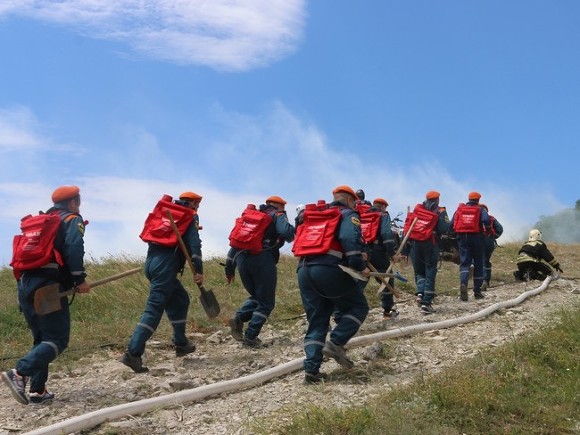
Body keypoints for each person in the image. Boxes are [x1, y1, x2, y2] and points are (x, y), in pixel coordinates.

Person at [2, 186, 91, 404]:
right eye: (78, 202)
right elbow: (73, 247)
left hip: (24, 285)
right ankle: (19, 373)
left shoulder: (41, 222)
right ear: (72, 203)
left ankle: (37, 391)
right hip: (48, 286)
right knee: (57, 339)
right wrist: (79, 279)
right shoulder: (71, 219)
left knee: (42, 338)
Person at [292, 185, 370, 383]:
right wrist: (359, 266)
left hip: (304, 270)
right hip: (327, 269)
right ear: (351, 200)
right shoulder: (347, 213)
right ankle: (335, 343)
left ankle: (311, 371)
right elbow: (348, 238)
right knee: (358, 306)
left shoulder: (317, 215)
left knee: (317, 319)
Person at [120, 192, 203, 373]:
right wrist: (199, 271)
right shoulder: (189, 218)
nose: (197, 208)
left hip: (151, 264)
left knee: (181, 299)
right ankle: (133, 353)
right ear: (193, 204)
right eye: (197, 205)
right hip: (165, 268)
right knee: (154, 310)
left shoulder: (165, 213)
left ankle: (181, 343)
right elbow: (195, 247)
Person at [225, 196, 295, 347]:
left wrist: (229, 269)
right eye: (283, 207)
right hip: (262, 259)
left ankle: (238, 317)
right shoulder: (277, 215)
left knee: (258, 296)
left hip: (241, 259)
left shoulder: (250, 218)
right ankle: (250, 337)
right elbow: (287, 233)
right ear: (278, 206)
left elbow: (235, 244)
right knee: (266, 302)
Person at [403, 191, 449, 314]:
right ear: (437, 199)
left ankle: (420, 293)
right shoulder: (440, 211)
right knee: (430, 270)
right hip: (430, 243)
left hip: (415, 244)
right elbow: (444, 228)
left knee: (419, 271)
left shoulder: (418, 209)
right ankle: (426, 303)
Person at [360, 198, 398, 319]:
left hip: (363, 252)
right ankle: (387, 311)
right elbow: (387, 234)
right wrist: (392, 253)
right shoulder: (383, 215)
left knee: (360, 280)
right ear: (382, 207)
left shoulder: (363, 216)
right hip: (377, 252)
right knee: (387, 279)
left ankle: (346, 310)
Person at [449, 192, 490, 302]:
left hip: (462, 238)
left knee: (465, 263)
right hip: (477, 237)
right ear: (478, 200)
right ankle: (477, 291)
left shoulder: (460, 209)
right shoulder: (480, 210)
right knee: (478, 264)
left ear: (469, 199)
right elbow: (486, 220)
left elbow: (451, 224)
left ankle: (463, 283)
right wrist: (488, 231)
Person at [480, 204, 504, 290]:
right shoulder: (491, 218)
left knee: (476, 260)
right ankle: (486, 281)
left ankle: (478, 281)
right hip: (489, 241)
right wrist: (494, 237)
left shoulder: (474, 217)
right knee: (486, 260)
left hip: (476, 240)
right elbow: (500, 229)